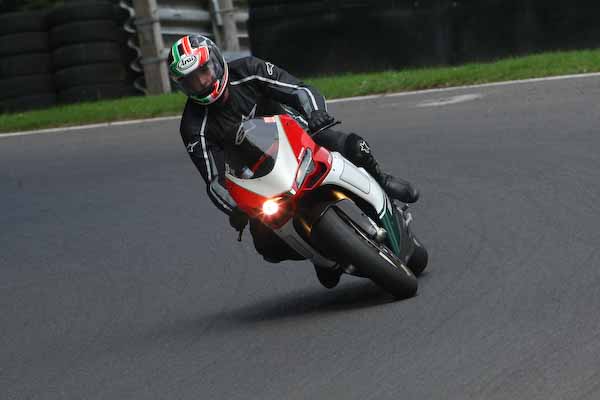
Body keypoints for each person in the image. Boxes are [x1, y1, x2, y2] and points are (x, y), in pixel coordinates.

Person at [169, 35, 419, 288]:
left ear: (216, 62)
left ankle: (382, 181)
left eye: (203, 71)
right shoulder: (193, 126)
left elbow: (298, 89)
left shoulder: (247, 70)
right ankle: (322, 254)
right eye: (191, 80)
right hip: (258, 179)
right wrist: (236, 208)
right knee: (266, 244)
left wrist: (316, 113)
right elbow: (214, 180)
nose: (202, 82)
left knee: (354, 146)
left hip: (299, 138)